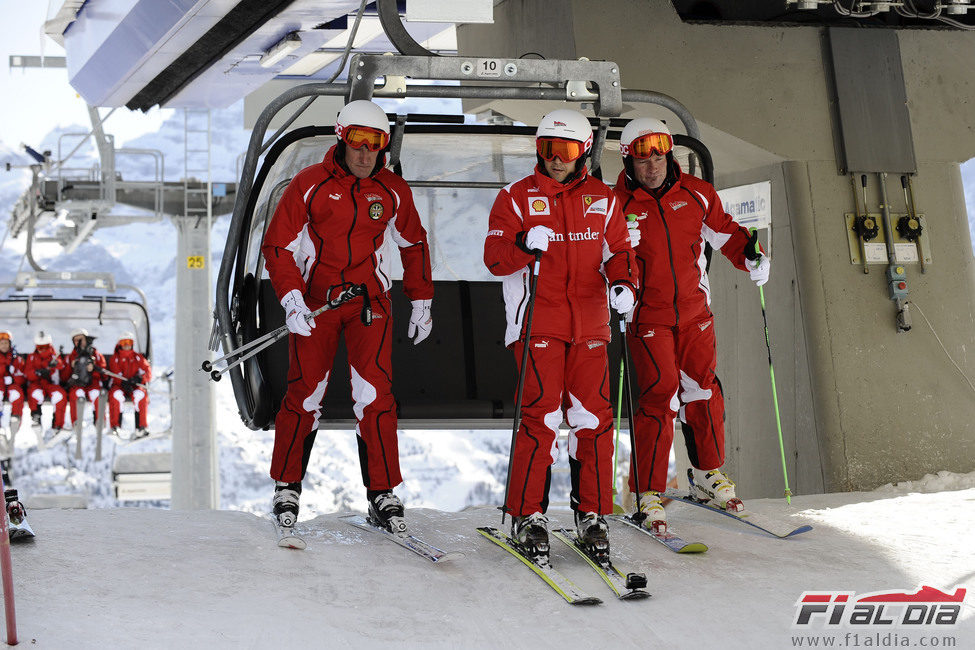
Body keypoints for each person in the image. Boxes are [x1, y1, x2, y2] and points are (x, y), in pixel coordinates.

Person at [260, 99, 434, 535]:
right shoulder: (309, 184)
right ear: (342, 139)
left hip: (369, 304)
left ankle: (383, 492)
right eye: (357, 141)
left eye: (375, 143)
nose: (365, 152)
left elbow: (413, 244)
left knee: (375, 396)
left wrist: (422, 300)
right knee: (305, 393)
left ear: (384, 146)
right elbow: (277, 247)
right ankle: (287, 485)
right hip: (318, 304)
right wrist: (292, 299)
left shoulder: (392, 190)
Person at [483, 108, 638, 559]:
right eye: (549, 149)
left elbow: (618, 251)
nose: (556, 159)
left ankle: (592, 514)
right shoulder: (515, 197)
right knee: (541, 419)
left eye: (566, 150)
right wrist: (520, 244)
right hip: (538, 326)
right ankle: (527, 515)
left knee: (594, 421)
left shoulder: (605, 199)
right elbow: (493, 258)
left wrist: (624, 284)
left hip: (591, 326)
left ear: (583, 152)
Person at [613, 117, 771, 533]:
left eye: (661, 156)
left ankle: (707, 473)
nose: (655, 166)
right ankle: (648, 492)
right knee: (659, 398)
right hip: (648, 319)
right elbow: (605, 254)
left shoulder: (697, 194)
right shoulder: (617, 205)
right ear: (629, 162)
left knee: (703, 390)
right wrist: (618, 287)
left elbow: (726, 234)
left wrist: (751, 257)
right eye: (644, 160)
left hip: (696, 315)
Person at [24, 331, 69, 443]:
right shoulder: (32, 357)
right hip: (38, 384)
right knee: (34, 393)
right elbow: (28, 373)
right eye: (40, 347)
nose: (43, 350)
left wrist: (55, 365)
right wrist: (38, 373)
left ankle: (58, 424)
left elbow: (61, 365)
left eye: (45, 347)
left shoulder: (54, 356)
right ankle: (36, 417)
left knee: (60, 395)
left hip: (52, 384)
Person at [107, 332, 152, 439]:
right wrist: (122, 382)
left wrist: (140, 378)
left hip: (135, 385)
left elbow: (147, 372)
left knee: (141, 395)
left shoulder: (137, 357)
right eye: (124, 342)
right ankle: (115, 426)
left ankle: (141, 427)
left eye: (129, 342)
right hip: (119, 386)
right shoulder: (115, 358)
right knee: (116, 396)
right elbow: (115, 373)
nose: (127, 345)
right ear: (120, 344)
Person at [63, 328, 106, 431]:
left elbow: (104, 374)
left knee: (97, 394)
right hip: (77, 384)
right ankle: (77, 421)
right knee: (76, 395)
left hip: (93, 384)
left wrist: (93, 368)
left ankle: (100, 420)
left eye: (81, 339)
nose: (79, 342)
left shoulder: (96, 355)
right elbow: (64, 377)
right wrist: (72, 367)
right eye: (76, 340)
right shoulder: (71, 357)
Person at [0, 330, 26, 455]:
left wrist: (13, 377)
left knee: (17, 394)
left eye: (6, 343)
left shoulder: (16, 359)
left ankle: (15, 418)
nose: (4, 346)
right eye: (1, 343)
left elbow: (22, 376)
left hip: (12, 386)